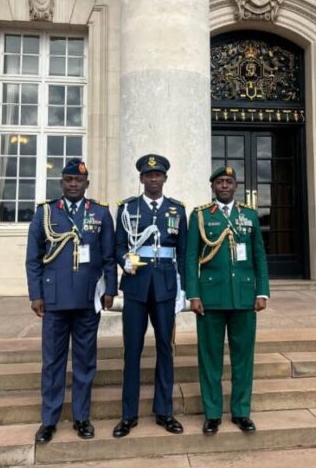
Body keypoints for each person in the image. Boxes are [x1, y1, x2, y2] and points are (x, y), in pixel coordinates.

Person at [26, 158, 117, 444]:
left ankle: (81, 418)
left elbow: (109, 257)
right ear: (62, 183)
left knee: (84, 360)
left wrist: (110, 290)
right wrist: (36, 294)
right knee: (52, 362)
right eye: (68, 180)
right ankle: (49, 420)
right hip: (54, 300)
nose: (74, 184)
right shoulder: (45, 213)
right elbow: (33, 259)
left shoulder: (100, 213)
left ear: (86, 184)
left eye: (79, 180)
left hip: (88, 298)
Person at [185, 165, 269, 435]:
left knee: (243, 358)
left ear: (235, 187)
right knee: (210, 358)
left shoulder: (249, 216)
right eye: (219, 181)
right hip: (210, 298)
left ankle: (241, 411)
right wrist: (193, 294)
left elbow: (259, 257)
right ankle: (212, 413)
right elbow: (190, 258)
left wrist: (262, 291)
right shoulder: (199, 216)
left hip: (244, 297)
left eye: (229, 182)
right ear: (212, 186)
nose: (224, 186)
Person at [113, 154, 187, 438]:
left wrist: (182, 289)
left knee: (165, 349)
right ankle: (128, 414)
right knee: (132, 349)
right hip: (136, 284)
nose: (153, 179)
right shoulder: (127, 208)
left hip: (166, 286)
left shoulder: (176, 210)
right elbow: (118, 244)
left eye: (158, 175)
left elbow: (182, 251)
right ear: (141, 179)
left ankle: (164, 411)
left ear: (165, 179)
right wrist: (124, 261)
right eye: (148, 175)